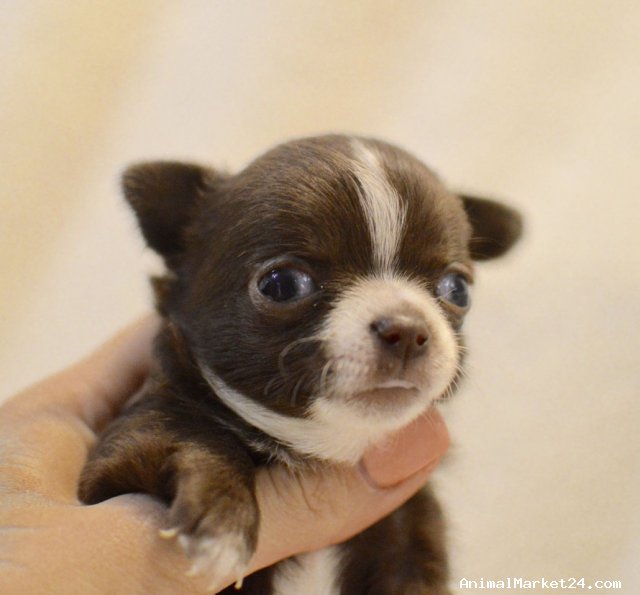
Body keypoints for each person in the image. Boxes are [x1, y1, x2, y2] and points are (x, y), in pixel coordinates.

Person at [0, 317, 449, 593]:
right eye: (284, 286)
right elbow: (135, 451)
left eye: (452, 288)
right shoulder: (173, 417)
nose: (405, 328)